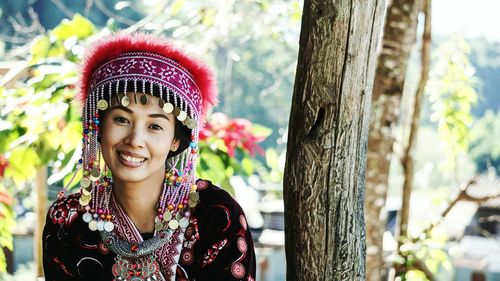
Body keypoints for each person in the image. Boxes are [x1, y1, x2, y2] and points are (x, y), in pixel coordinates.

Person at [42, 32, 256, 281]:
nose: (134, 140)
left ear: (176, 139)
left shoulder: (217, 216)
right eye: (121, 119)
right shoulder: (68, 218)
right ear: (98, 126)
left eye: (155, 126)